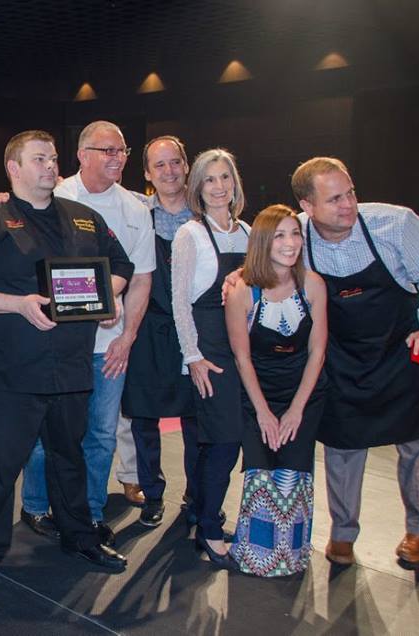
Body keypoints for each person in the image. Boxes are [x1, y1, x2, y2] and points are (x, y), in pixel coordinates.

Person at [0, 130, 134, 598]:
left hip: (72, 367)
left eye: (53, 158)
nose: (50, 166)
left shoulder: (84, 218)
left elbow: (121, 267)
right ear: (13, 168)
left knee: (70, 458)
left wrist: (108, 296)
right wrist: (16, 304)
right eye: (39, 159)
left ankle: (79, 537)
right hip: (11, 374)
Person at [292, 157, 419, 566]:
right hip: (341, 357)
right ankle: (342, 534)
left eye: (350, 193)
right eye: (334, 199)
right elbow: (267, 272)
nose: (348, 205)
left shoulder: (396, 223)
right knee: (342, 446)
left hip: (402, 350)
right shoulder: (295, 236)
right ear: (307, 205)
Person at [20, 121, 155, 543]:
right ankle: (36, 506)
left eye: (122, 151)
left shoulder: (136, 210)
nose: (117, 158)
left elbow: (140, 278)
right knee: (47, 433)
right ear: (82, 155)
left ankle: (90, 511)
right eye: (106, 150)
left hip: (109, 348)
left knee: (101, 434)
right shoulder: (53, 196)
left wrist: (126, 338)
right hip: (57, 345)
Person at [224, 204, 328, 576]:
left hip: (304, 394)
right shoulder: (242, 291)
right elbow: (242, 358)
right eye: (280, 235)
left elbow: (317, 352)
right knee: (262, 471)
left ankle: (292, 556)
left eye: (295, 233)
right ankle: (256, 556)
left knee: (296, 472)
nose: (290, 243)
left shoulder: (313, 284)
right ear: (263, 242)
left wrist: (297, 409)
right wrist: (264, 413)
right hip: (257, 395)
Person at [171, 148, 250, 569]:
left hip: (242, 350)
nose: (219, 187)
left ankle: (204, 512)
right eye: (209, 179)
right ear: (197, 188)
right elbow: (180, 302)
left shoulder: (249, 233)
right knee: (223, 441)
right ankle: (209, 529)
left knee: (222, 442)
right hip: (209, 352)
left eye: (225, 177)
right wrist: (193, 357)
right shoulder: (191, 234)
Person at [125, 136, 200, 528]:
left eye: (175, 162)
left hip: (196, 330)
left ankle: (196, 496)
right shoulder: (137, 214)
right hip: (148, 329)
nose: (169, 171)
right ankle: (152, 494)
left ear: (187, 166)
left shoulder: (205, 215)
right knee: (143, 418)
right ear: (147, 173)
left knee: (197, 420)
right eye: (160, 165)